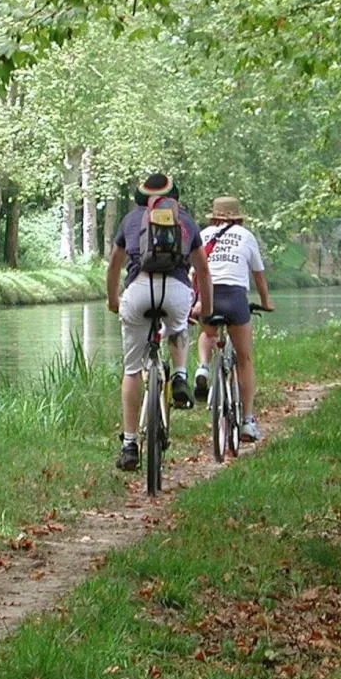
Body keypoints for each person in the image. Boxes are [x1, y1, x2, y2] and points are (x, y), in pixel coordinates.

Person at [105, 173, 212, 473]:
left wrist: (114, 300)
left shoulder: (129, 221)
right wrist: (206, 310)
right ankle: (179, 375)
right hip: (176, 292)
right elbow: (203, 270)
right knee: (178, 329)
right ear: (173, 196)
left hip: (138, 290)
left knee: (132, 369)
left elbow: (114, 265)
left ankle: (129, 444)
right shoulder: (186, 221)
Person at [193, 196, 275, 443]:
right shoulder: (245, 236)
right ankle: (248, 421)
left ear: (213, 215)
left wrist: (193, 300)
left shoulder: (203, 235)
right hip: (235, 296)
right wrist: (266, 301)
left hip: (209, 295)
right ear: (237, 215)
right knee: (245, 359)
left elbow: (193, 271)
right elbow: (258, 275)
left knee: (208, 333)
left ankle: (203, 367)